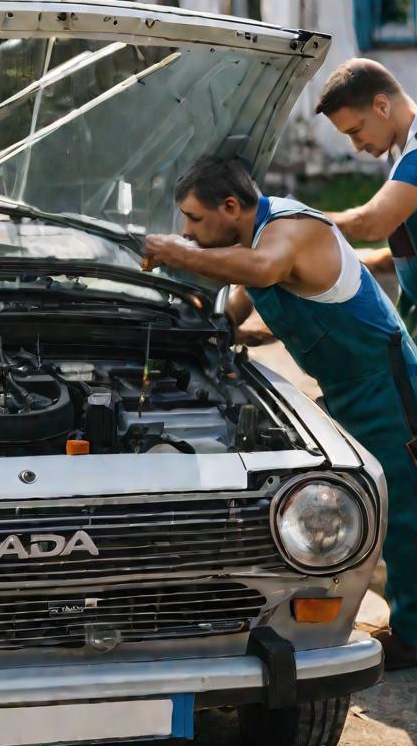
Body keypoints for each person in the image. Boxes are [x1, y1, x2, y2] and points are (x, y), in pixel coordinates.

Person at [141, 156, 417, 669]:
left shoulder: (290, 229)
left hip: (387, 386)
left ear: (230, 206)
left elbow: (265, 269)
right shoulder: (253, 243)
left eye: (194, 220)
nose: (188, 232)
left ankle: (414, 636)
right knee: (365, 504)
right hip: (344, 387)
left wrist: (175, 252)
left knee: (405, 511)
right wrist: (212, 331)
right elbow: (244, 298)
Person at [315, 59, 417, 333]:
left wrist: (298, 223)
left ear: (382, 106)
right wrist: (357, 262)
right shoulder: (399, 154)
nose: (356, 147)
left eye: (355, 131)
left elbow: (374, 222)